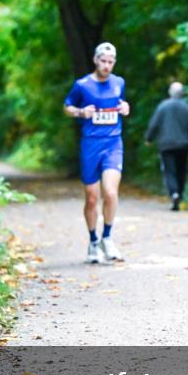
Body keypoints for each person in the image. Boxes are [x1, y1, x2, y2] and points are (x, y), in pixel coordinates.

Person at [63, 42, 131, 264]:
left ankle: (107, 237)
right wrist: (81, 112)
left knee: (110, 192)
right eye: (103, 61)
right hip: (90, 145)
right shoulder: (82, 85)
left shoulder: (119, 83)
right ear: (95, 60)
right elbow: (67, 106)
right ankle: (93, 242)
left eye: (111, 62)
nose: (107, 66)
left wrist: (125, 108)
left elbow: (122, 104)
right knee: (92, 198)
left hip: (113, 143)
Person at [145, 82, 188, 211]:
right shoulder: (187, 108)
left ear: (170, 92)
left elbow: (154, 124)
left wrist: (149, 139)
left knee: (169, 171)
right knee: (181, 170)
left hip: (166, 145)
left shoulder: (163, 106)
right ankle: (180, 195)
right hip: (183, 145)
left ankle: (174, 193)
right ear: (182, 93)